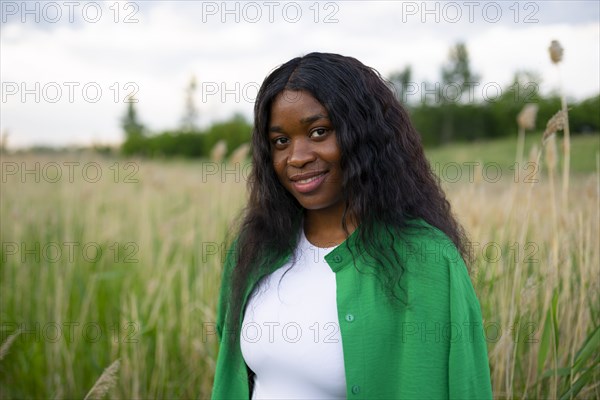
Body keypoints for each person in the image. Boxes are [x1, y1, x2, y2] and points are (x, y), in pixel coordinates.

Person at [211, 52, 492, 399]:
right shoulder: (255, 248)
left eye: (319, 132)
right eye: (280, 141)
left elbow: (466, 385)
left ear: (365, 136)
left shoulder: (427, 260)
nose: (297, 157)